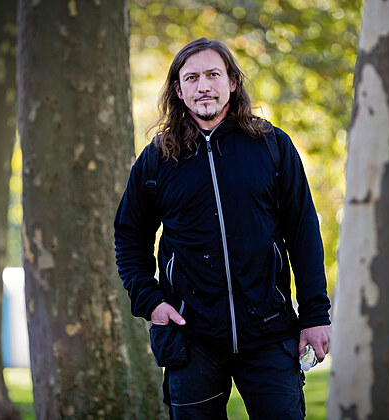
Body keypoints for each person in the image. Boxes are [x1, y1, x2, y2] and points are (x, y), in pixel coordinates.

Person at [114, 38, 331, 419]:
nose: (204, 86)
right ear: (178, 90)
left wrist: (315, 315)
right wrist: (151, 301)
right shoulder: (156, 160)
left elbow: (303, 234)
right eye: (192, 78)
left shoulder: (272, 146)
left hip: (269, 332)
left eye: (213, 75)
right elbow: (129, 237)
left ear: (231, 82)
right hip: (191, 337)